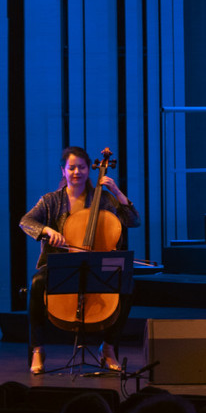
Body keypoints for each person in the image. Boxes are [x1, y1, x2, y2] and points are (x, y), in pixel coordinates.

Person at [20, 146, 140, 374]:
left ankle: (109, 348)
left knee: (127, 286)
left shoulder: (103, 199)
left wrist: (118, 192)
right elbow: (26, 221)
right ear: (63, 171)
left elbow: (133, 221)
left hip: (97, 262)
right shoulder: (51, 200)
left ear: (89, 170)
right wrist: (46, 229)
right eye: (71, 168)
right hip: (61, 263)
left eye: (82, 167)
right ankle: (37, 349)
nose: (77, 172)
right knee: (36, 284)